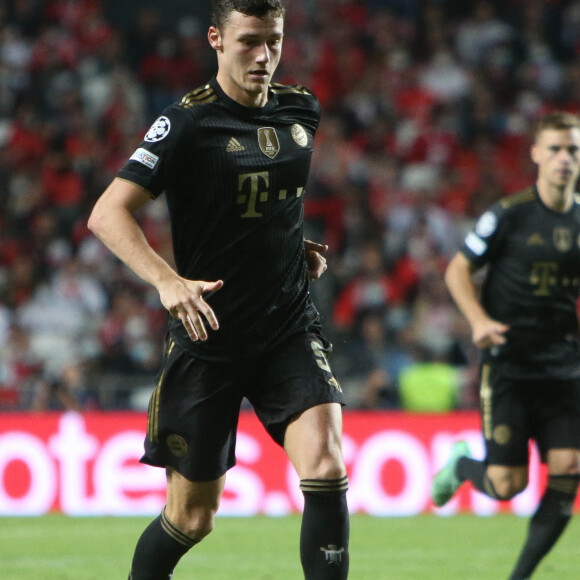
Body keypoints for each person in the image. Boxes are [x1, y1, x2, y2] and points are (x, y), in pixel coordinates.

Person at [87, 1, 349, 579]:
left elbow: (272, 202)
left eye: (274, 41)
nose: (264, 56)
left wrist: (291, 248)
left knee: (327, 467)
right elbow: (107, 215)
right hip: (209, 334)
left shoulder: (301, 108)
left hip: (287, 326)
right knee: (191, 519)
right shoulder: (187, 123)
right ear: (215, 39)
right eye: (249, 41)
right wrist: (167, 281)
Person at [431, 111, 580, 579]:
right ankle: (462, 467)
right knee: (505, 485)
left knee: (568, 467)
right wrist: (477, 321)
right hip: (510, 363)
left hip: (563, 365)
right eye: (555, 148)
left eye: (572, 150)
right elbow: (457, 269)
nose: (564, 158)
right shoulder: (509, 215)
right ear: (536, 153)